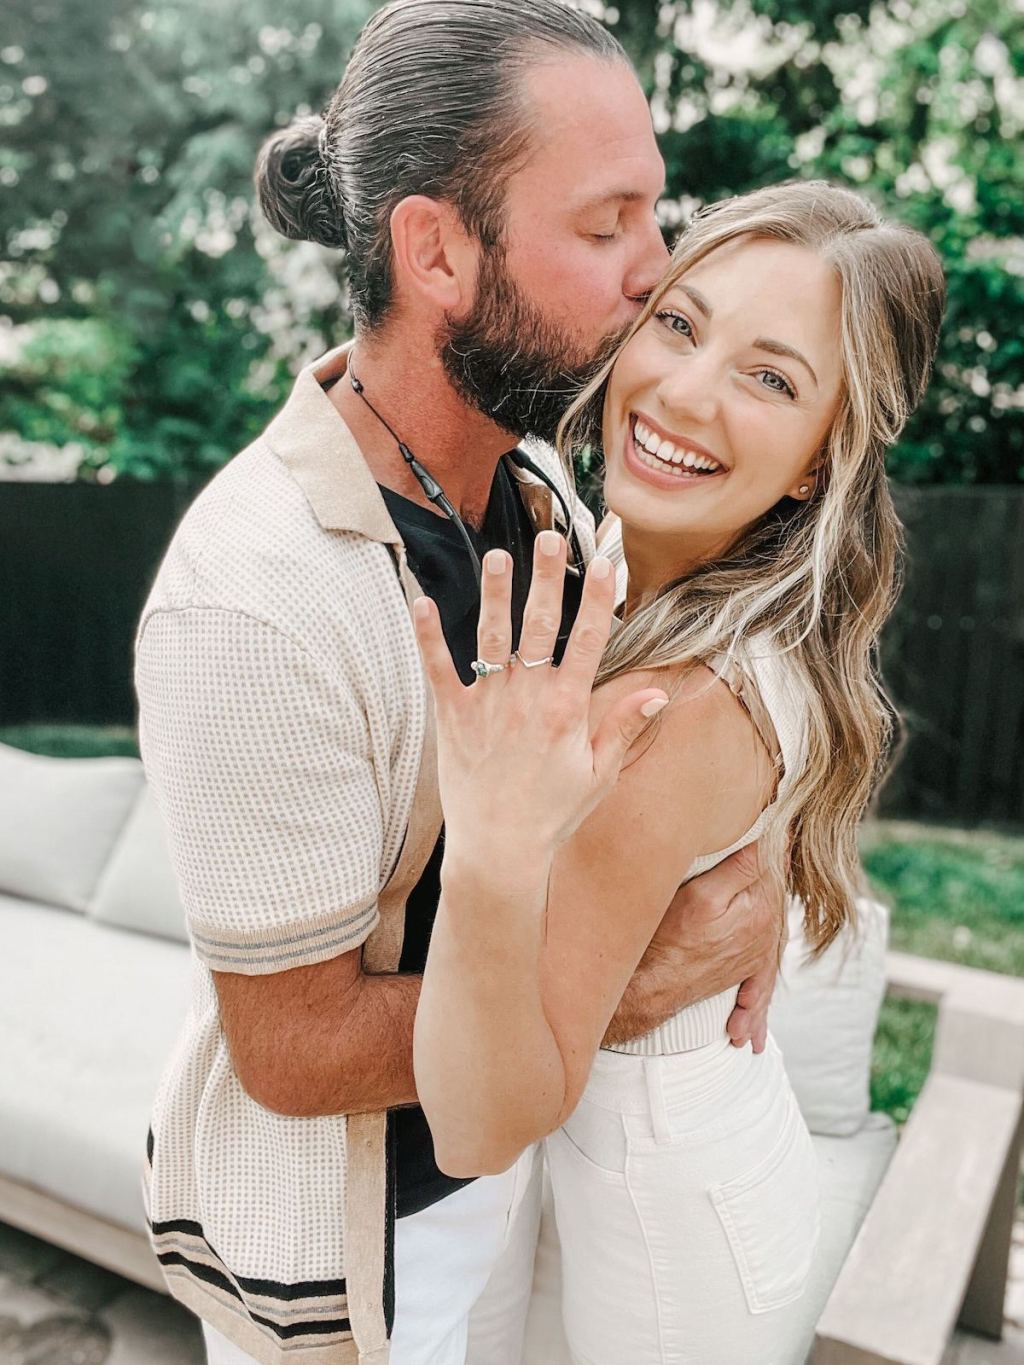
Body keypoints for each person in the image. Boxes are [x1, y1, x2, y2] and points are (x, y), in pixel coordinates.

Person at [134, 5, 786, 1365]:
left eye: (655, 218)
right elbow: (296, 1049)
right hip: (360, 1256)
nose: (653, 276)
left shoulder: (536, 485)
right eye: (605, 226)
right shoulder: (254, 597)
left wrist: (736, 856)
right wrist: (636, 977)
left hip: (517, 1174)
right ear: (437, 249)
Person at [412, 180, 946, 1365]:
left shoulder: (670, 706)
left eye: (772, 378)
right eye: (680, 324)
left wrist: (498, 861)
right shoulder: (625, 578)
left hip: (665, 1243)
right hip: (642, 1189)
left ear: (819, 462)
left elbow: (482, 1119)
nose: (685, 395)